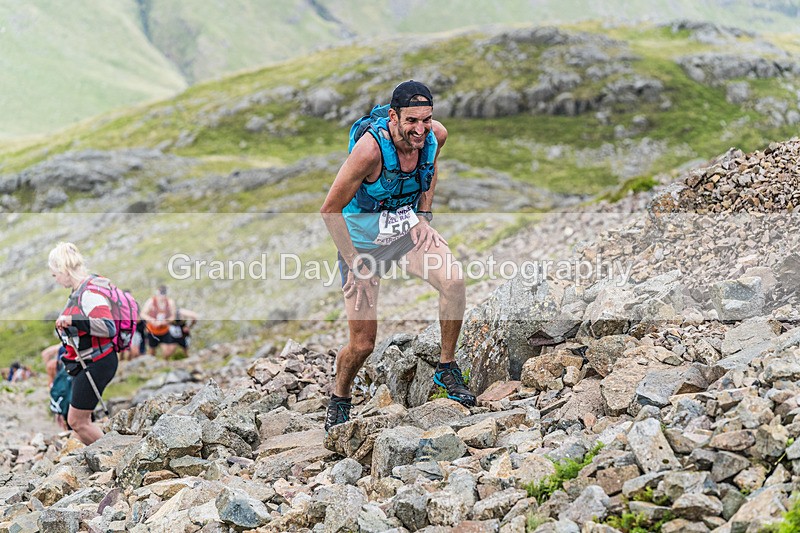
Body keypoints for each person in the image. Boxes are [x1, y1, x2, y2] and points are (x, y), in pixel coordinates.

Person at [320, 80, 474, 431]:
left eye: (426, 119)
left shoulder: (435, 136)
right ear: (393, 117)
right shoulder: (369, 151)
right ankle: (340, 396)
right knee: (362, 344)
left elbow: (431, 168)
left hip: (405, 233)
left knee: (453, 281)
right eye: (411, 121)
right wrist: (355, 262)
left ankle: (446, 368)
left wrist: (424, 215)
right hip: (363, 246)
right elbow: (330, 210)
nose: (420, 129)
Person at [49, 242, 119, 445]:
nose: (54, 278)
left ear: (64, 269)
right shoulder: (79, 291)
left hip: (97, 362)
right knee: (80, 421)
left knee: (77, 421)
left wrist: (73, 321)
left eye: (55, 274)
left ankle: (117, 455)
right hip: (91, 361)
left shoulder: (89, 294)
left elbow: (108, 327)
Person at [139, 285, 178, 358]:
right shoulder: (151, 301)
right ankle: (152, 362)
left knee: (168, 350)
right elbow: (143, 314)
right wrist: (152, 320)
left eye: (164, 293)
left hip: (164, 329)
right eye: (161, 293)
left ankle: (165, 361)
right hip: (152, 330)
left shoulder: (170, 302)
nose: (162, 296)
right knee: (152, 350)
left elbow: (173, 316)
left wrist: (166, 321)